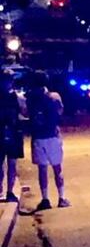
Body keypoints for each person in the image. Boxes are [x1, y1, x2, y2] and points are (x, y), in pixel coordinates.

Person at [26, 72, 70, 210]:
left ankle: (45, 199)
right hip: (53, 136)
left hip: (38, 137)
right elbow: (60, 111)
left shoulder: (29, 98)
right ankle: (61, 198)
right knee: (57, 168)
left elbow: (26, 113)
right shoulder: (54, 96)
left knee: (42, 169)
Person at [0, 71, 24, 202]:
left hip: (14, 132)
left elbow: (24, 112)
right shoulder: (16, 96)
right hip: (4, 132)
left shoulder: (17, 96)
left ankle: (9, 191)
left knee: (12, 164)